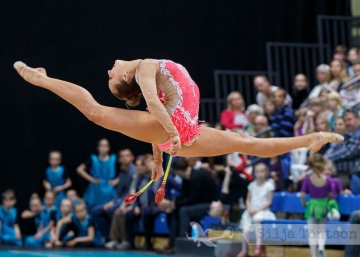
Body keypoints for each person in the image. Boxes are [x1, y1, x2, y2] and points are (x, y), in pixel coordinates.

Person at [14, 61, 343, 183]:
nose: (110, 71)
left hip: (182, 131)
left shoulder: (147, 71)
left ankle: (309, 139)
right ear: (128, 76)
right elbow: (156, 106)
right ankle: (42, 79)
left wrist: (160, 152)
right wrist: (164, 143)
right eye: (114, 77)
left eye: (112, 76)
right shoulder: (143, 68)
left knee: (249, 144)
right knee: (96, 113)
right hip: (181, 130)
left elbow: (155, 113)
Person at [91, 148, 136, 240]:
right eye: (122, 156)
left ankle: (118, 238)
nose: (125, 158)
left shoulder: (134, 172)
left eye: (127, 156)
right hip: (119, 199)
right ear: (119, 160)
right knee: (95, 211)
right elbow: (119, 192)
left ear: (132, 157)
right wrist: (113, 201)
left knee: (112, 210)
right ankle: (108, 237)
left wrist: (115, 203)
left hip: (127, 201)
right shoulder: (122, 171)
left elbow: (131, 191)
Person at [236, 163, 276, 257]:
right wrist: (249, 209)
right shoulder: (252, 185)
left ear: (266, 173)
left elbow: (269, 202)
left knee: (257, 219)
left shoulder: (269, 185)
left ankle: (259, 245)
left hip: (263, 211)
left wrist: (257, 210)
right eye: (257, 171)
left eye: (262, 171)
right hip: (251, 211)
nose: (259, 173)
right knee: (245, 229)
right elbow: (248, 199)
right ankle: (244, 250)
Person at [300, 154, 332, 257]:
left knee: (312, 232)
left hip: (312, 205)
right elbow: (331, 194)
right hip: (323, 206)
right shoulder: (327, 179)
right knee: (321, 230)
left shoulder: (308, 179)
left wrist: (304, 204)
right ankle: (321, 247)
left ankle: (314, 254)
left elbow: (302, 194)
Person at [77, 138, 118, 209]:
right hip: (95, 190)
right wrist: (92, 179)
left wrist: (117, 180)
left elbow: (124, 170)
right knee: (93, 210)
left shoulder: (114, 159)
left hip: (110, 190)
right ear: (98, 147)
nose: (104, 148)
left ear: (109, 148)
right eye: (101, 146)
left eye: (106, 146)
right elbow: (79, 169)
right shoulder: (93, 159)